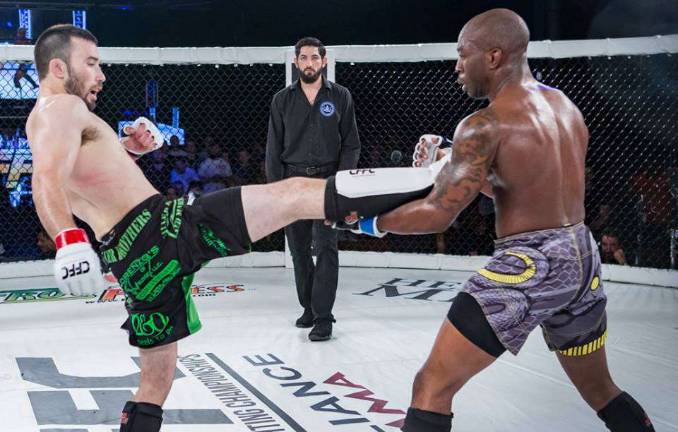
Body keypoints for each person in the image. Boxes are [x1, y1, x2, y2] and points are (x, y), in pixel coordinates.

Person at [27, 24, 416, 431]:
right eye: (91, 63)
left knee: (156, 381)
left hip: (132, 257)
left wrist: (128, 152)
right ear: (58, 67)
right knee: (293, 194)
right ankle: (409, 191)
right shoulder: (60, 109)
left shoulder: (49, 121)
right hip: (162, 229)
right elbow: (46, 179)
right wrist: (68, 241)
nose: (101, 74)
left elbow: (76, 180)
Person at [340, 9, 654, 432]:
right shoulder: (564, 106)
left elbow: (438, 214)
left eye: (462, 54)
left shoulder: (483, 124)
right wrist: (451, 159)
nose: (456, 66)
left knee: (432, 386)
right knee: (601, 390)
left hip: (530, 265)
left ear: (492, 57)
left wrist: (365, 223)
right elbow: (521, 187)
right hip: (582, 257)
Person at [266, 36, 361, 341]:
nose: (309, 63)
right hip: (292, 181)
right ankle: (308, 307)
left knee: (326, 248)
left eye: (314, 58)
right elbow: (273, 148)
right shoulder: (282, 99)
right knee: (298, 251)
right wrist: (275, 192)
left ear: (324, 62)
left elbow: (351, 143)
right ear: (296, 62)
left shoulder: (341, 96)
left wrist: (340, 184)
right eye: (303, 58)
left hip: (327, 183)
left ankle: (324, 317)